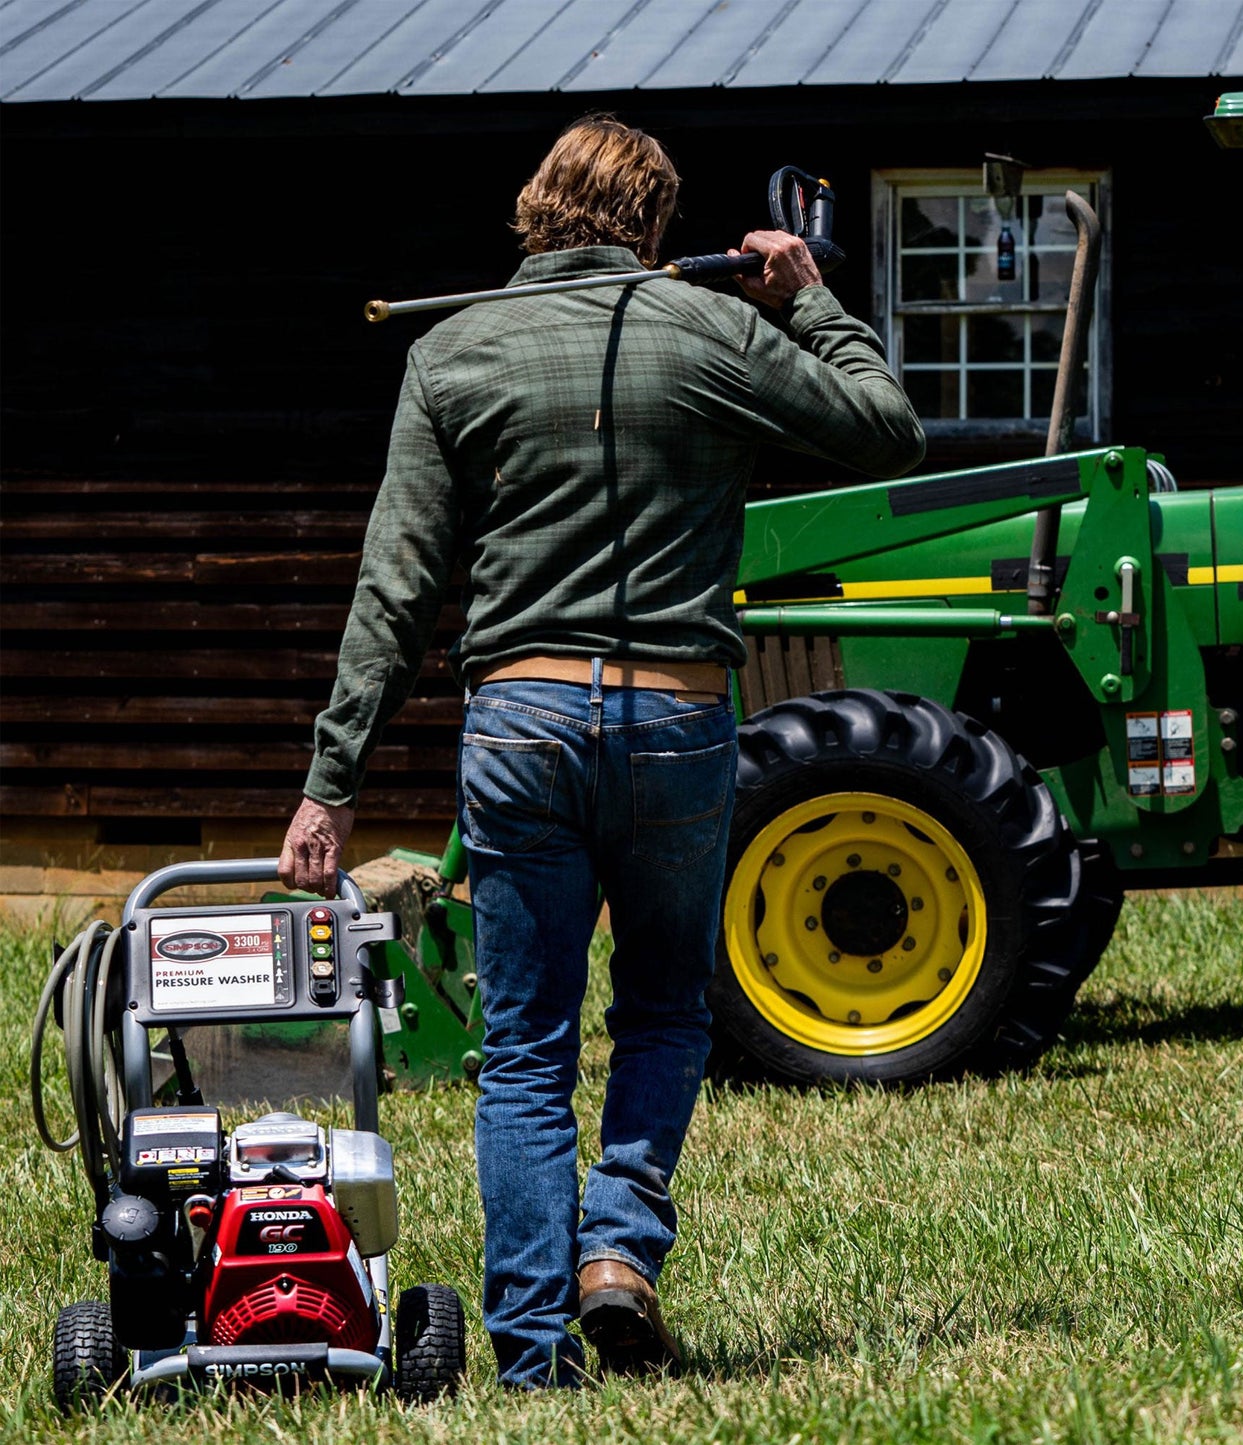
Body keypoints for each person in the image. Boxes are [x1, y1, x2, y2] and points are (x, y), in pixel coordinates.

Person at [280, 116, 924, 1389]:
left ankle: (528, 1351)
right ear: (650, 226)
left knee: (524, 1046)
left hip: (520, 721)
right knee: (666, 1009)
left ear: (534, 210)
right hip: (676, 715)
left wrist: (329, 782)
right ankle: (617, 1250)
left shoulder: (453, 348)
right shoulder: (715, 331)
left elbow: (396, 585)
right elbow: (887, 428)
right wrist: (807, 298)